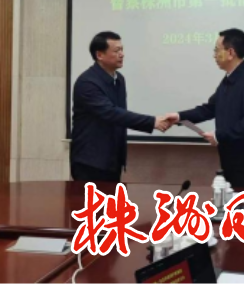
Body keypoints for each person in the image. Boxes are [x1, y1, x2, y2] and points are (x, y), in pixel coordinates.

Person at [166, 28, 244, 189]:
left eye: (217, 50)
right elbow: (209, 109)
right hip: (231, 163)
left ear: (231, 53)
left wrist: (219, 135)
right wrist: (179, 117)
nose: (214, 55)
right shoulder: (230, 79)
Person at [71, 31, 171, 183]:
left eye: (122, 50)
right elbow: (111, 113)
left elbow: (120, 115)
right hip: (90, 161)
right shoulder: (87, 83)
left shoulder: (119, 79)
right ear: (99, 55)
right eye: (116, 51)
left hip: (113, 160)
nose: (122, 54)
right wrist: (152, 122)